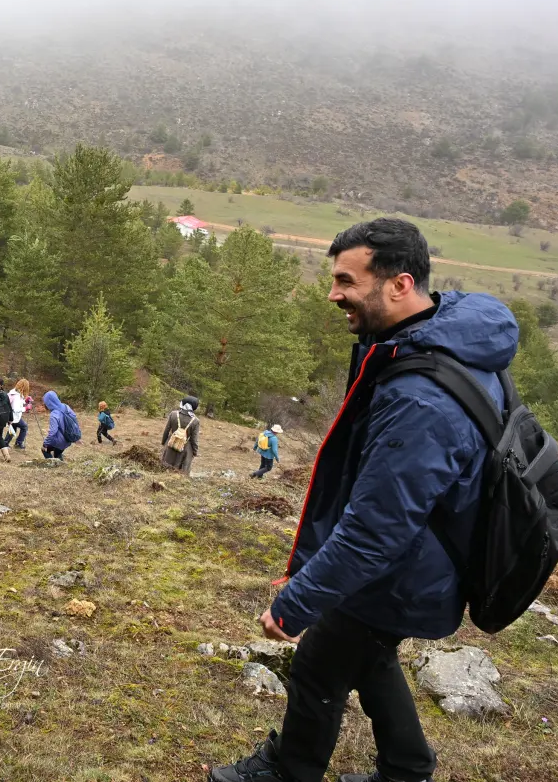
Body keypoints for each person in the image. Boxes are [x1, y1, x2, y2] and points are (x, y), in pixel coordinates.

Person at [209, 218, 518, 782]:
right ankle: (407, 769)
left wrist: (295, 602)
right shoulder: (440, 338)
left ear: (399, 284)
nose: (333, 294)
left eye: (346, 281)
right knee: (371, 657)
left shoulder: (420, 398)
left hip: (402, 571)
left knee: (319, 669)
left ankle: (287, 772)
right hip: (421, 560)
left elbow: (378, 528)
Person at [160, 396, 200, 475]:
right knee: (180, 473)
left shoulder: (173, 414)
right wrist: (195, 451)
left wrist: (164, 443)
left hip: (170, 444)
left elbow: (166, 430)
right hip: (184, 448)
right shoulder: (195, 421)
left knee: (164, 469)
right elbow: (194, 439)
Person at [41, 390, 80, 460]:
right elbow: (74, 418)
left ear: (48, 403)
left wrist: (45, 444)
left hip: (60, 442)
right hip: (69, 439)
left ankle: (53, 465)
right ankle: (59, 461)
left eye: (45, 402)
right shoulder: (66, 406)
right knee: (58, 453)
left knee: (44, 450)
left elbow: (52, 432)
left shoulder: (54, 414)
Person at [8, 379, 31, 449]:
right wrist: (26, 408)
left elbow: (19, 402)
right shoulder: (17, 396)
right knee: (24, 427)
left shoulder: (14, 392)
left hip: (11, 416)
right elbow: (16, 409)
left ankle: (6, 443)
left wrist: (25, 400)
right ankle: (18, 443)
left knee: (13, 429)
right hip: (14, 416)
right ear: (24, 387)